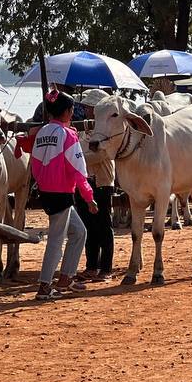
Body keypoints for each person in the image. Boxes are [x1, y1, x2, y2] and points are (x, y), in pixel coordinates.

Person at [30, 90, 96, 300]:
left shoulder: (42, 133)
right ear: (68, 112)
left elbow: (35, 165)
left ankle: (66, 277)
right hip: (61, 193)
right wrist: (88, 197)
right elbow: (78, 170)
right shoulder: (68, 135)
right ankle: (44, 286)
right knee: (56, 240)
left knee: (79, 232)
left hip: (47, 192)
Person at [76, 89, 114, 281]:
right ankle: (91, 266)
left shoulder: (107, 132)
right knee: (88, 226)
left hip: (102, 182)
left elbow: (102, 154)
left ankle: (106, 268)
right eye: (85, 106)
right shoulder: (83, 130)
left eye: (89, 106)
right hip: (86, 183)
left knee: (104, 225)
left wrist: (78, 159)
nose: (85, 109)